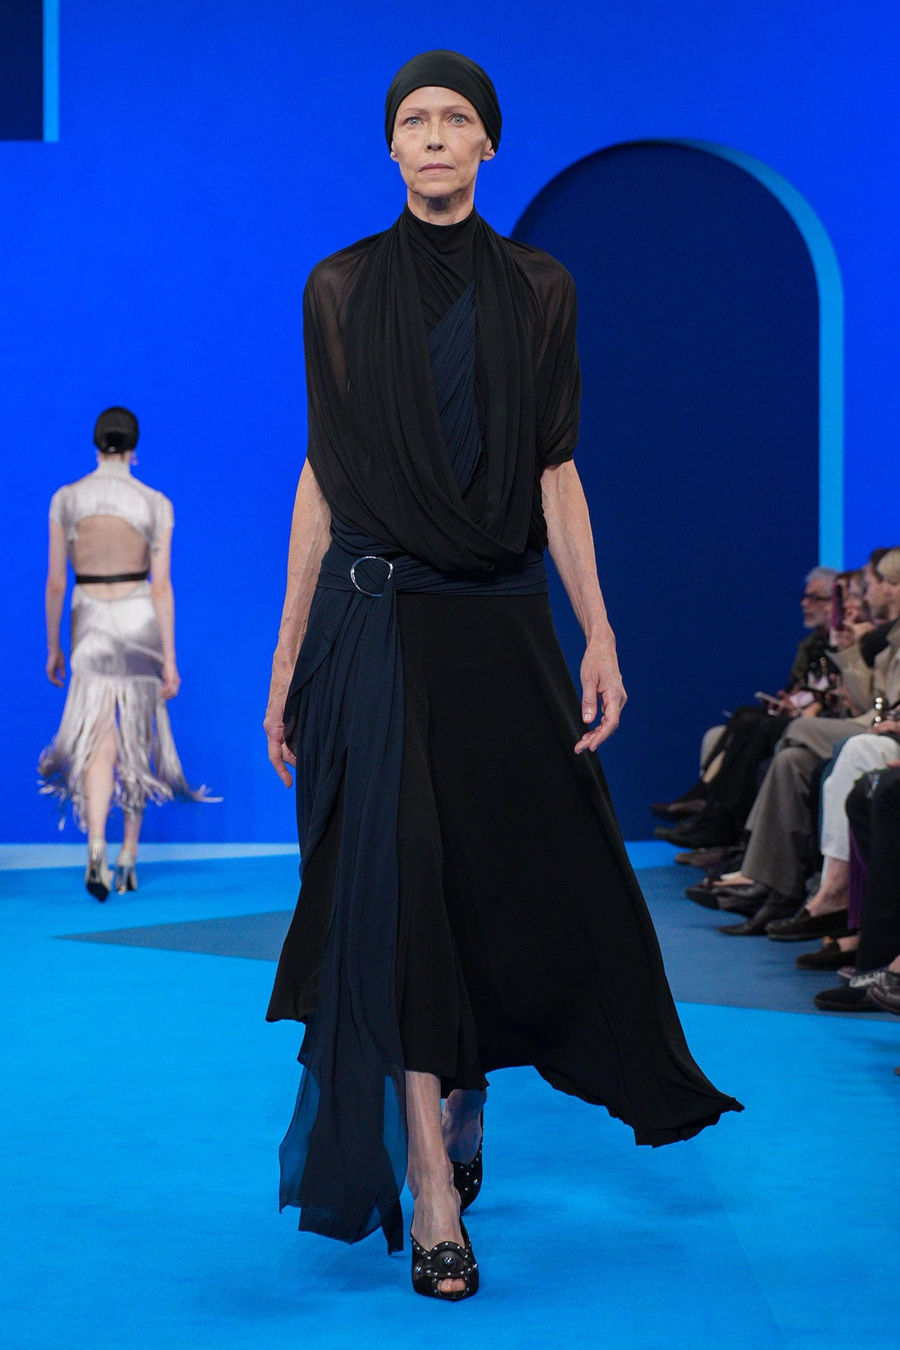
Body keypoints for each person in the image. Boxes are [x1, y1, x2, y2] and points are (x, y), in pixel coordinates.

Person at [263, 51, 741, 1302]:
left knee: (507, 878)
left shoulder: (539, 289)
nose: (433, 136)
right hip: (373, 625)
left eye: (456, 119)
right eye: (414, 120)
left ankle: (469, 1083)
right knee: (394, 890)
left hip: (498, 622)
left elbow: (553, 470)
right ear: (390, 146)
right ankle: (431, 1184)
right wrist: (286, 656)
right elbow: (321, 480)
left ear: (489, 144)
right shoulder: (336, 288)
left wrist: (602, 632)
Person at [39, 407, 212, 900]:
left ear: (97, 443)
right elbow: (161, 587)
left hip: (89, 621)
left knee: (98, 736)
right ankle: (129, 857)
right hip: (139, 619)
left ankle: (95, 845)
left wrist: (53, 646)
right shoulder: (155, 503)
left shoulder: (67, 499)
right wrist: (171, 659)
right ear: (134, 447)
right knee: (136, 735)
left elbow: (56, 583)